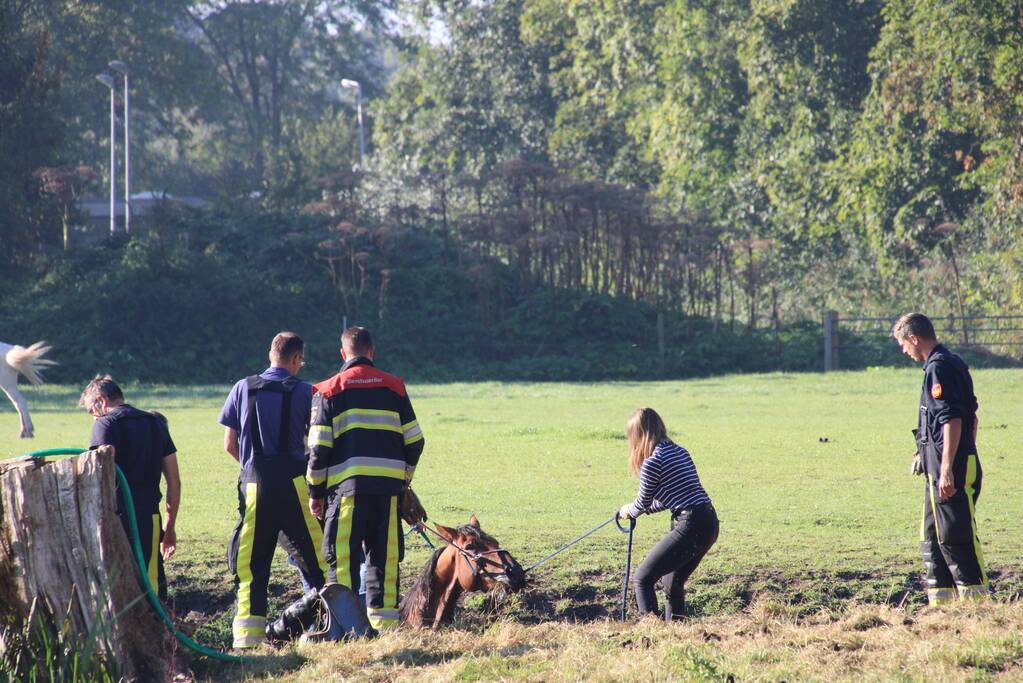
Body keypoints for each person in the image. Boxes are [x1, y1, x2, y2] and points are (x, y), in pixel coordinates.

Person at [306, 326, 424, 631]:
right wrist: (403, 480)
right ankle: (384, 631)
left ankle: (345, 631)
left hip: (346, 493)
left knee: (343, 561)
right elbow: (415, 441)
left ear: (343, 353)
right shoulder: (395, 387)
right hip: (387, 492)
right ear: (371, 352)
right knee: (383, 563)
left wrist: (315, 493)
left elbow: (318, 450)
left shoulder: (327, 390)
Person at [219, 332, 328, 649]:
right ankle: (333, 629)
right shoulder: (307, 391)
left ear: (271, 355)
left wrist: (255, 469)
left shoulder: (243, 387)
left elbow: (229, 444)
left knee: (251, 567)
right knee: (321, 561)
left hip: (254, 484)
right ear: (296, 359)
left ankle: (246, 644)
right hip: (295, 483)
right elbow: (318, 443)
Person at [893, 312, 988, 604]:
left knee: (956, 536)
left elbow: (953, 420)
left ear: (914, 338)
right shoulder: (949, 363)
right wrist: (925, 451)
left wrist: (949, 467)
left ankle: (978, 609)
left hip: (949, 472)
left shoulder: (939, 368)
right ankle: (942, 608)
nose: (904, 351)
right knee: (933, 538)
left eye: (903, 344)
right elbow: (971, 417)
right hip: (938, 469)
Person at [80, 375, 181, 601]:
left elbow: (99, 475)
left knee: (118, 585)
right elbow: (174, 482)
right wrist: (169, 526)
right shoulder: (155, 422)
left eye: (91, 410)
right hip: (150, 517)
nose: (93, 416)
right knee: (153, 585)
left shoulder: (105, 424)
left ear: (101, 401)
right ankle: (162, 632)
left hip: (116, 517)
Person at [617, 408, 718, 621]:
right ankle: (676, 633)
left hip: (690, 523)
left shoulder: (652, 463)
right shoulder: (680, 451)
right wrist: (638, 511)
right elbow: (668, 498)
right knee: (672, 583)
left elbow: (642, 504)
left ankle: (652, 632)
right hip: (708, 521)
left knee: (642, 578)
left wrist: (626, 511)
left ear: (638, 435)